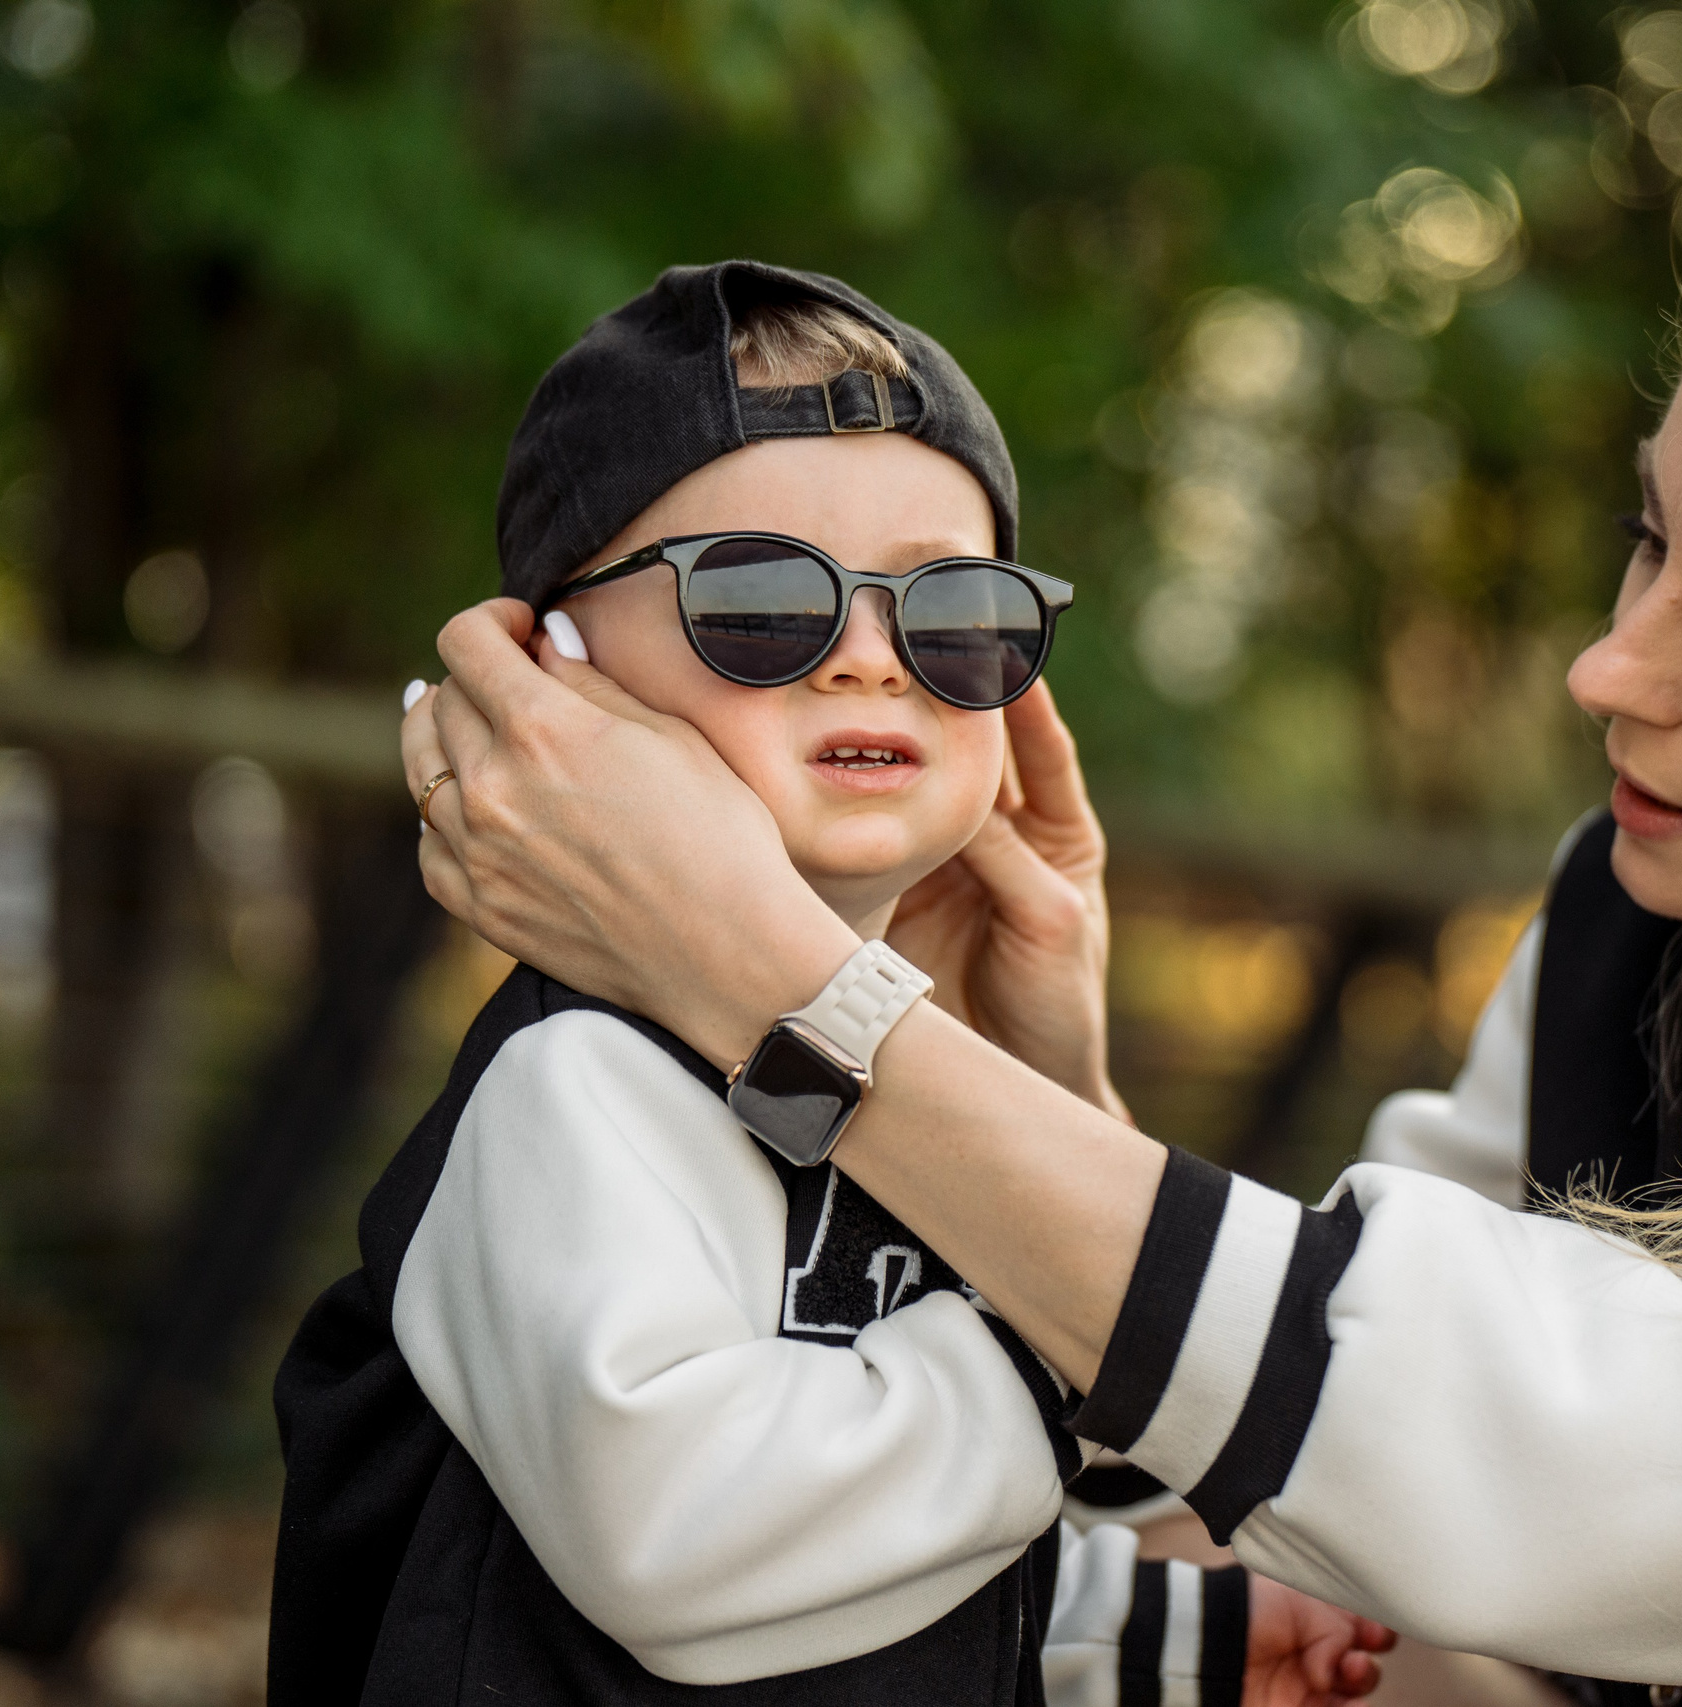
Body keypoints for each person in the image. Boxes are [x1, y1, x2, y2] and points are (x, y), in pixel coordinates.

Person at [400, 143, 1682, 1707]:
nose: (1603, 670)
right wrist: (1051, 1103)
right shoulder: (1636, 929)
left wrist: (779, 984)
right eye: (1647, 541)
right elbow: (1318, 1468)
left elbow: (1460, 1439)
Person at [267, 261, 1390, 1707]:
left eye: (952, 610)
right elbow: (685, 1538)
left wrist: (1159, 1636)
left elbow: (866, 1540)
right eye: (756, 598)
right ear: (553, 671)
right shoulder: (580, 1080)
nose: (869, 658)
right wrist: (1065, 1329)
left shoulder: (897, 1080)